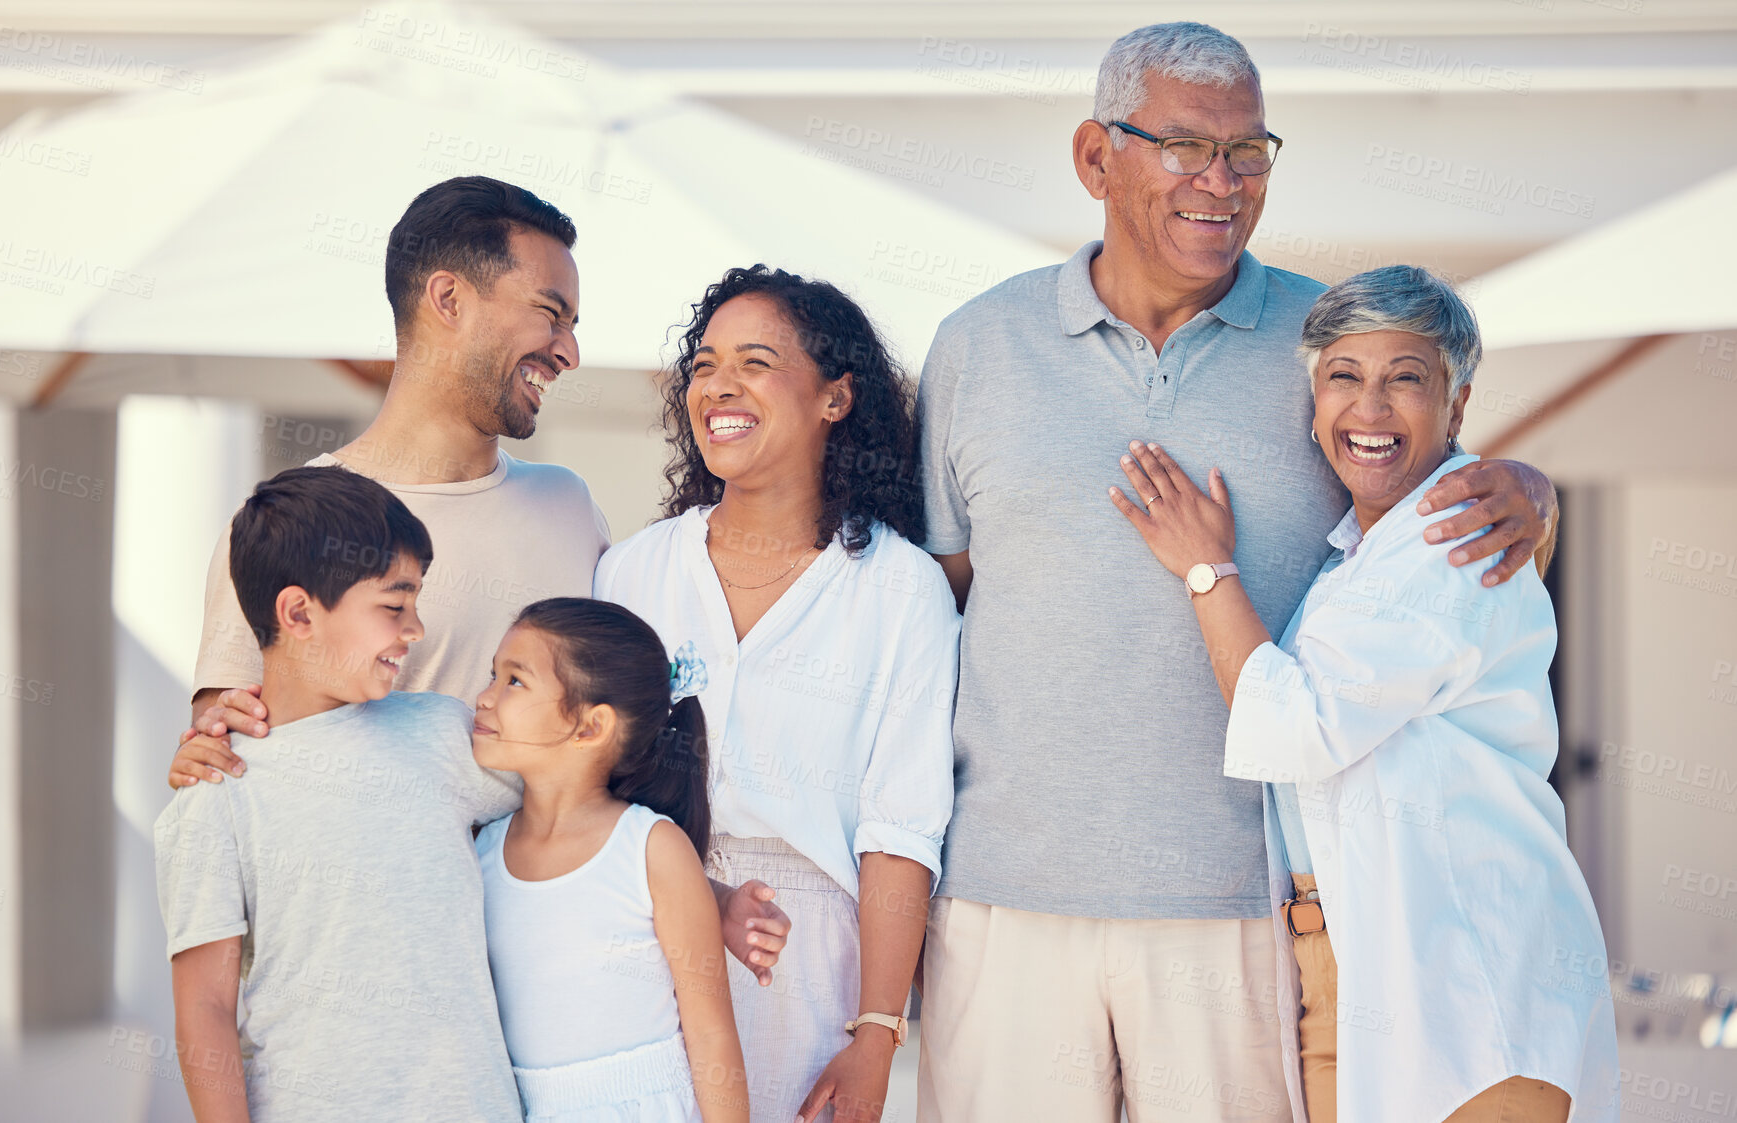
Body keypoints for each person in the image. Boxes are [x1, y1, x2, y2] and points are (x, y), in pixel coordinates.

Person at [913, 23, 1561, 1122]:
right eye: (1182, 147)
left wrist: (1528, 486)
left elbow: (1416, 490)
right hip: (1000, 899)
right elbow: (941, 596)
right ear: (1092, 158)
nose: (1221, 182)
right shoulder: (976, 344)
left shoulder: (1319, 348)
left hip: (1243, 908)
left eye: (1248, 151)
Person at [167, 175, 789, 976]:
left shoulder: (568, 507)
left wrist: (699, 893)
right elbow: (231, 765)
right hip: (374, 987)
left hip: (555, 973)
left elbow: (602, 753)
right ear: (448, 298)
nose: (567, 351)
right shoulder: (287, 528)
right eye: (549, 313)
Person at [1110, 264, 1618, 1121]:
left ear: (1456, 408)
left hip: (1466, 976)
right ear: (1313, 404)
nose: (1370, 410)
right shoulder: (1357, 556)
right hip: (1357, 967)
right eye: (1343, 377)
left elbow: (1297, 726)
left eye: (1405, 380)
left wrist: (1206, 568)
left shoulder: (1452, 536)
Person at [595, 265, 957, 1123]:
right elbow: (594, 779)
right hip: (641, 921)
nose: (719, 383)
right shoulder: (635, 571)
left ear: (835, 399)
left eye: (756, 362)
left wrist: (875, 1031)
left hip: (805, 955)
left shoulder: (899, 588)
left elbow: (900, 826)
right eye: (706, 362)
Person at [154, 466, 524, 1121]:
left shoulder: (441, 731)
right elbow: (205, 1010)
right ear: (298, 612)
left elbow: (578, 804)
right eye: (393, 604)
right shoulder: (214, 792)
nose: (415, 629)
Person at [471, 598, 748, 1122]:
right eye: (493, 676)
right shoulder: (482, 850)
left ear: (591, 727)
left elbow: (711, 1034)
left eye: (513, 681)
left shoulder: (651, 848)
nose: (483, 698)